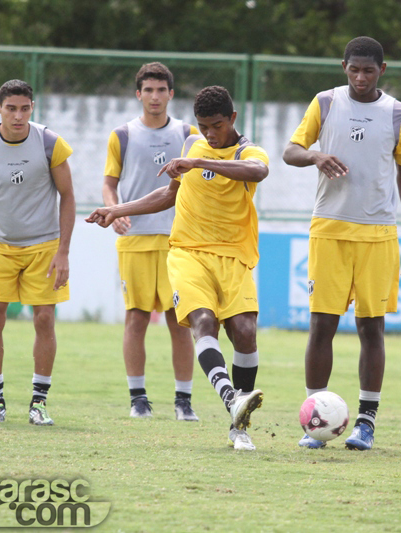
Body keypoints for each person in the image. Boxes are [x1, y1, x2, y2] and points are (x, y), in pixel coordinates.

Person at [87, 85, 268, 451]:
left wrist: (200, 162)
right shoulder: (192, 145)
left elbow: (257, 171)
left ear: (232, 119)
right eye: (203, 126)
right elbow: (170, 194)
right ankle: (232, 400)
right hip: (187, 252)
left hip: (235, 256)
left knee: (245, 332)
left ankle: (239, 424)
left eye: (216, 126)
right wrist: (117, 210)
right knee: (202, 322)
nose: (209, 134)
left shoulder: (248, 151)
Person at [282, 36, 401, 451]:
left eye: (369, 70)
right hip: (329, 228)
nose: (361, 77)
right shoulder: (325, 103)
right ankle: (314, 420)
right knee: (322, 323)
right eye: (354, 69)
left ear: (382, 70)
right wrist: (316, 157)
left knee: (371, 326)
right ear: (344, 66)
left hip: (378, 232)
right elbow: (290, 151)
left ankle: (366, 422)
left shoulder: (397, 113)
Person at [0, 79, 75, 426]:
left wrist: (64, 252)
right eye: (11, 108)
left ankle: (39, 402)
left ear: (32, 108)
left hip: (44, 244)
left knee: (44, 318)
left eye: (25, 108)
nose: (18, 116)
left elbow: (68, 196)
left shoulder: (50, 143)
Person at [102, 62, 199, 420]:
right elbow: (109, 184)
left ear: (171, 94)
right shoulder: (122, 135)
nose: (155, 96)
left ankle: (183, 401)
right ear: (138, 94)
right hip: (136, 240)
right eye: (148, 90)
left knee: (179, 320)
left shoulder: (188, 134)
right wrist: (115, 210)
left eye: (161, 90)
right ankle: (138, 399)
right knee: (137, 318)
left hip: (178, 240)